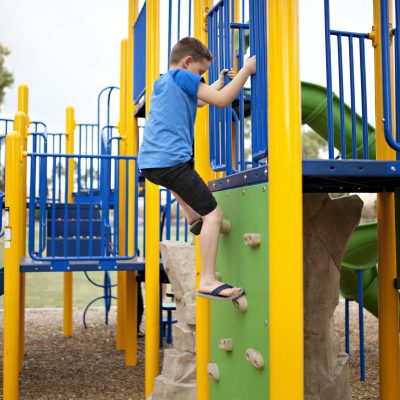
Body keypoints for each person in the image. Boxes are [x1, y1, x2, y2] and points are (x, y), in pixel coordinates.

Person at [138, 37, 256, 300]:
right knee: (214, 215)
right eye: (201, 73)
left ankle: (192, 217)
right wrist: (247, 70)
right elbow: (222, 101)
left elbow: (202, 100)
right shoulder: (184, 77)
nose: (201, 78)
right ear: (187, 61)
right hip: (171, 162)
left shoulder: (163, 80)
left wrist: (218, 82)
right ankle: (209, 279)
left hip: (149, 164)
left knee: (177, 180)